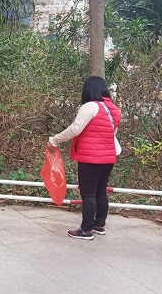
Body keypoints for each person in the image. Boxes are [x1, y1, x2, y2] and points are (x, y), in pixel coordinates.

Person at [49, 76, 121, 240]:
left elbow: (75, 129)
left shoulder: (90, 107)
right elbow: (112, 134)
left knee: (88, 194)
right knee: (101, 192)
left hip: (90, 158)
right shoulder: (114, 109)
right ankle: (99, 225)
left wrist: (56, 139)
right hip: (108, 158)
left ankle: (86, 229)